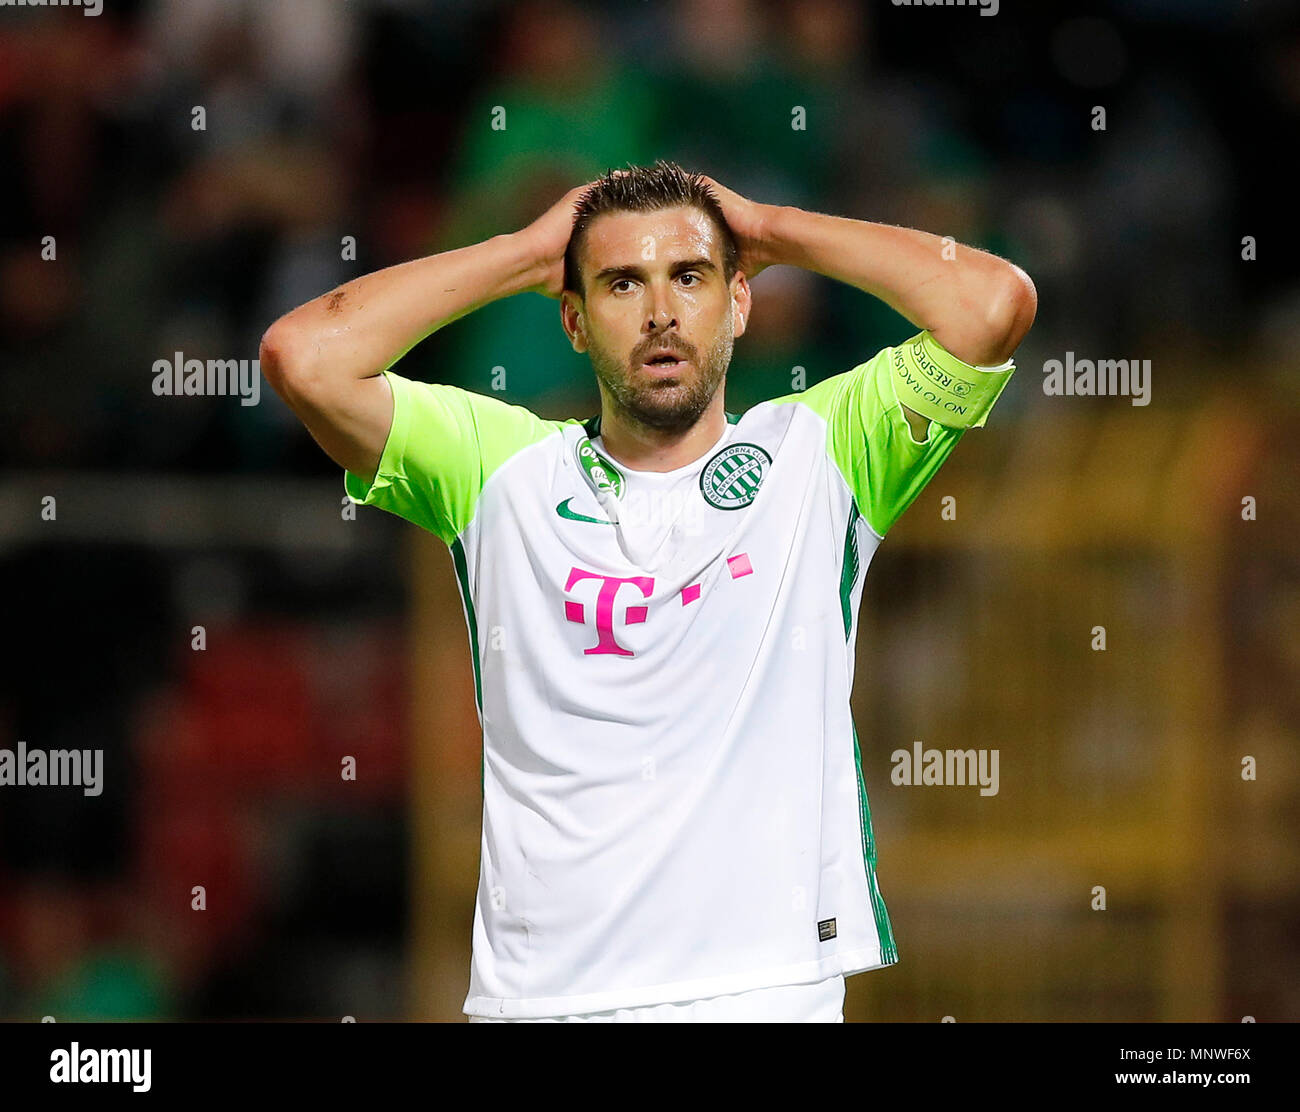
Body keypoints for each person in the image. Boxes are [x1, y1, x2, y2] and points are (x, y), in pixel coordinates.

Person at [259, 160, 1036, 1022]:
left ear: (739, 302)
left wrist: (770, 226)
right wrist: (521, 253)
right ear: (574, 320)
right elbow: (304, 356)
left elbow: (992, 304)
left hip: (765, 994)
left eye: (691, 277)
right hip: (541, 1001)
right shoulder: (499, 470)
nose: (661, 312)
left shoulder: (822, 455)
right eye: (622, 283)